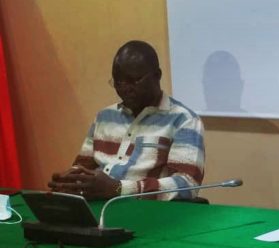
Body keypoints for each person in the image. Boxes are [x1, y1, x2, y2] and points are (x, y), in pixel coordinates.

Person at [48, 40, 204, 201]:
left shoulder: (183, 120)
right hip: (97, 206)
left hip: (144, 210)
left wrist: (118, 189)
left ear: (157, 75)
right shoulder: (104, 116)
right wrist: (71, 181)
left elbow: (187, 185)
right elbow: (84, 166)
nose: (125, 88)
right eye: (119, 82)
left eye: (134, 80)